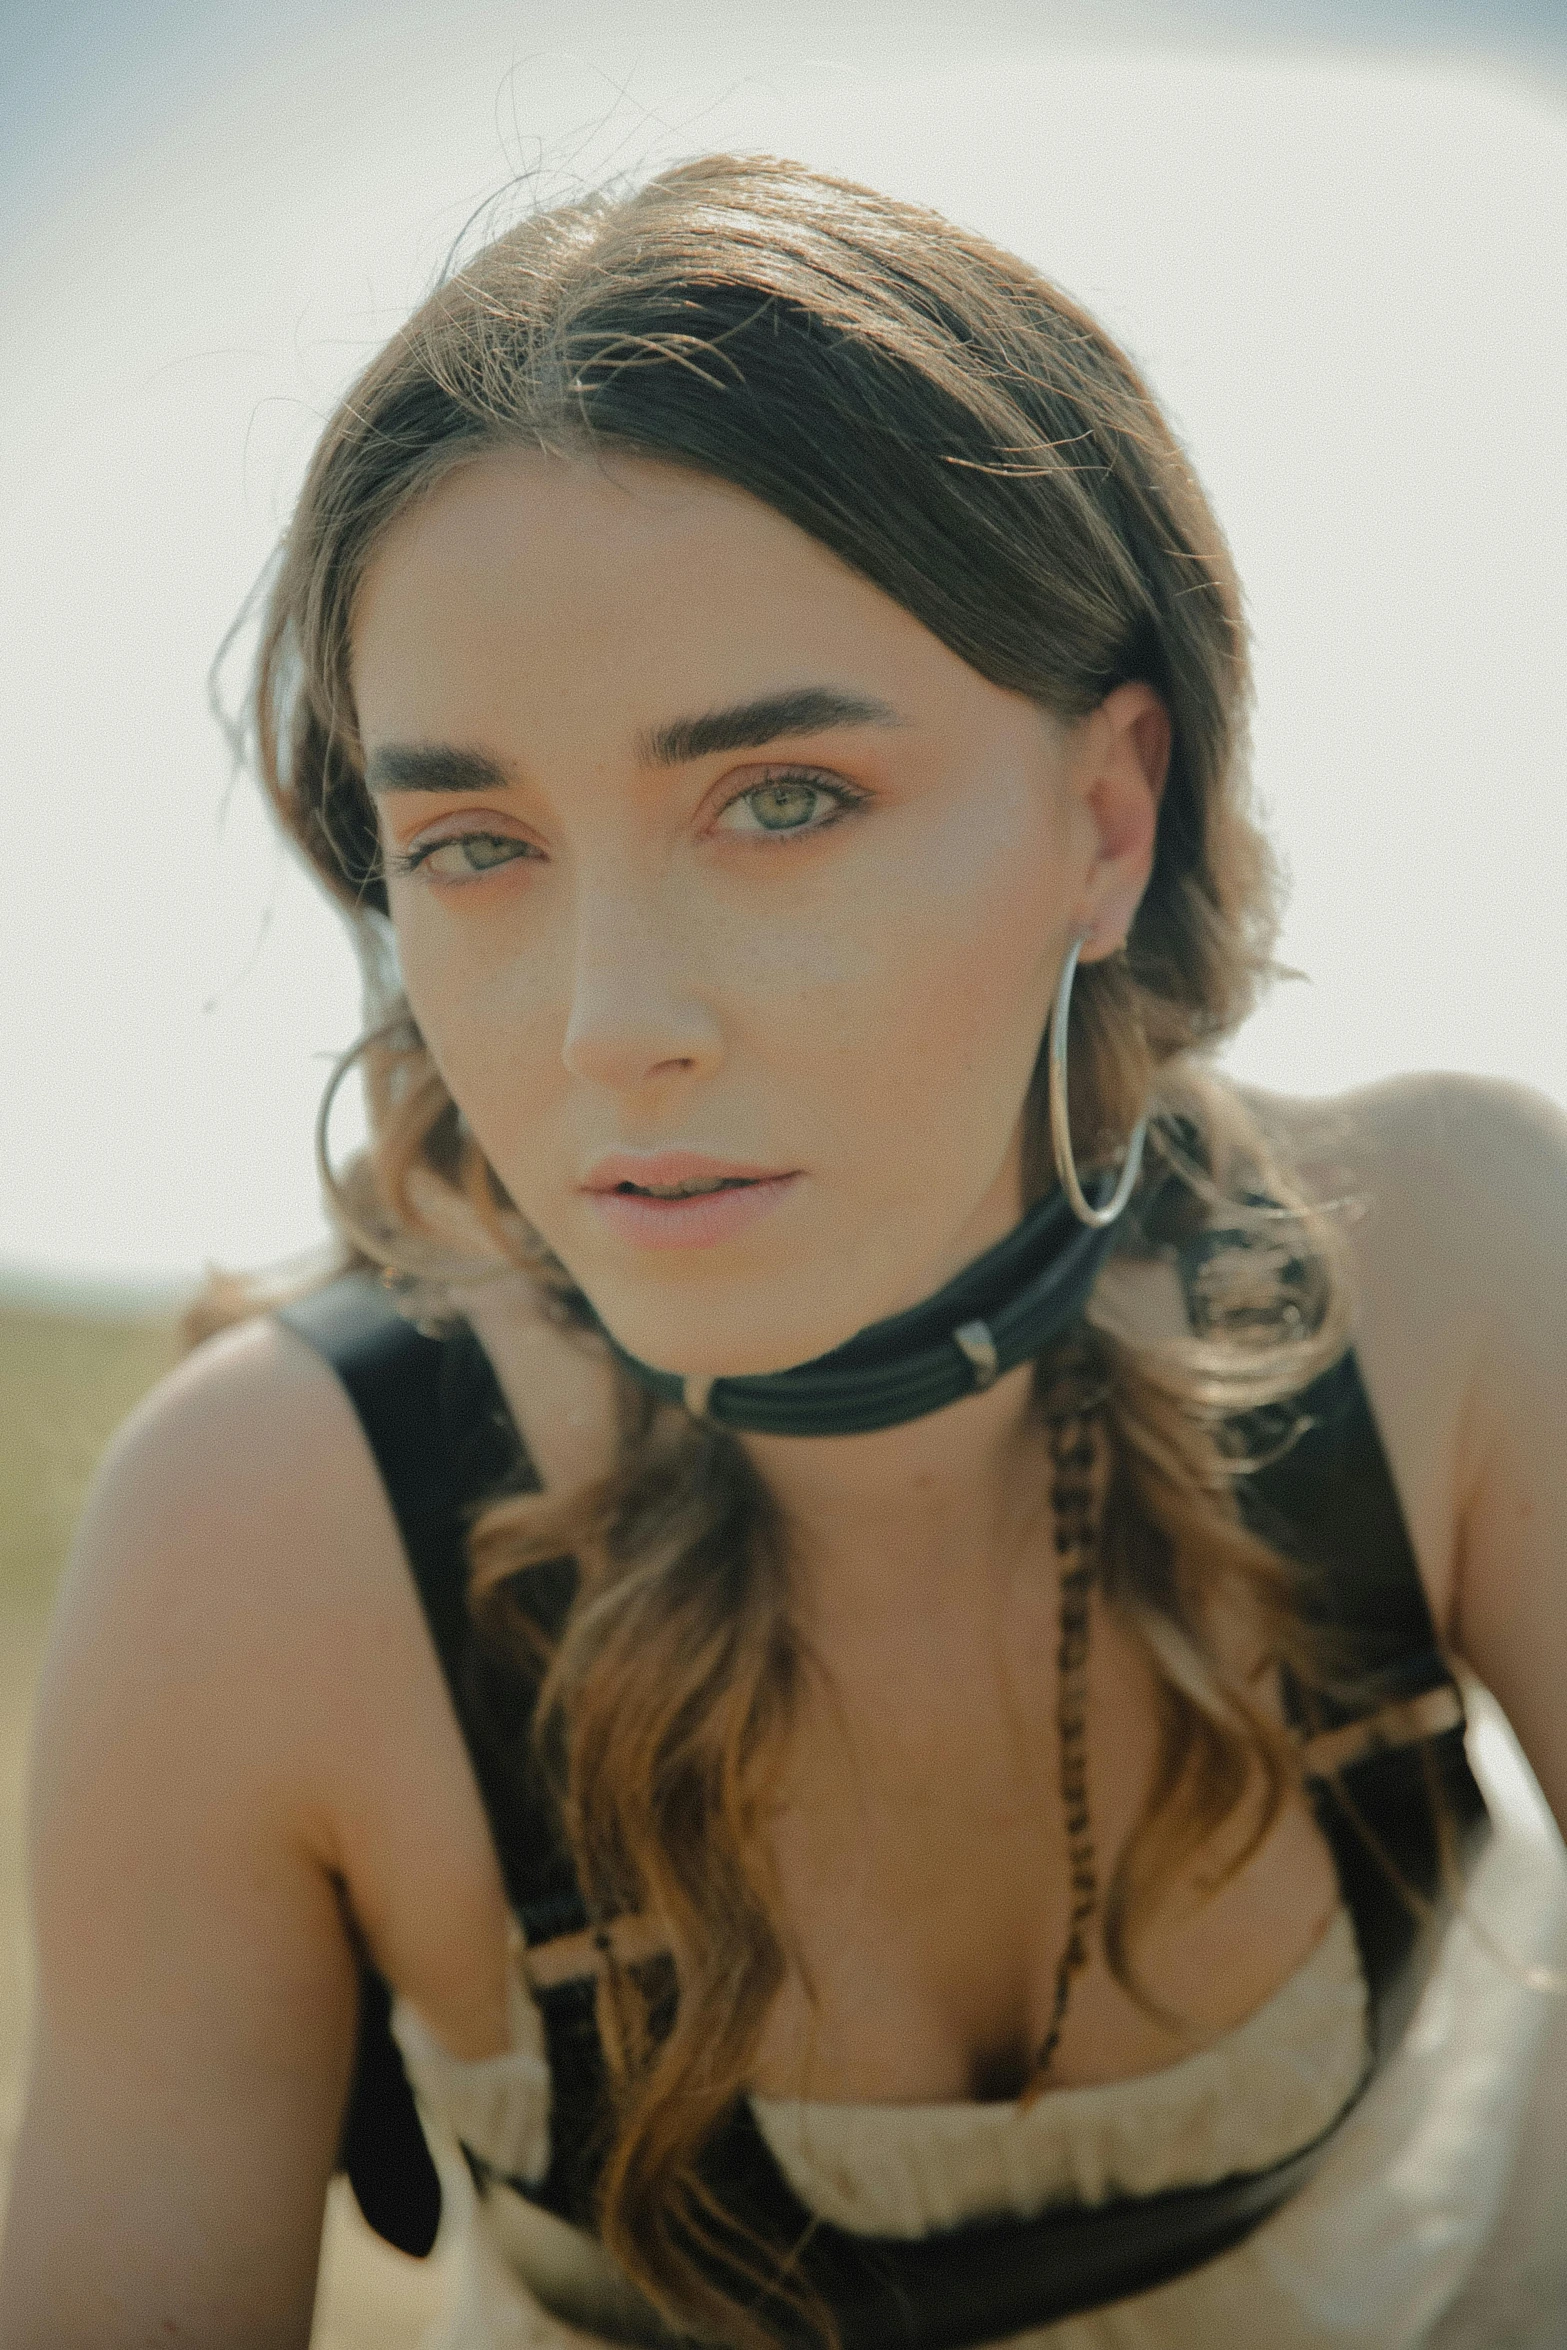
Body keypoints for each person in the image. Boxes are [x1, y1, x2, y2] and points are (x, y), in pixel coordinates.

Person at [2, 154, 1564, 2350]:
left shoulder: (1451, 1280)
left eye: (784, 799)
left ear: (1109, 817)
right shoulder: (271, 1536)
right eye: (473, 844)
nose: (608, 1025)